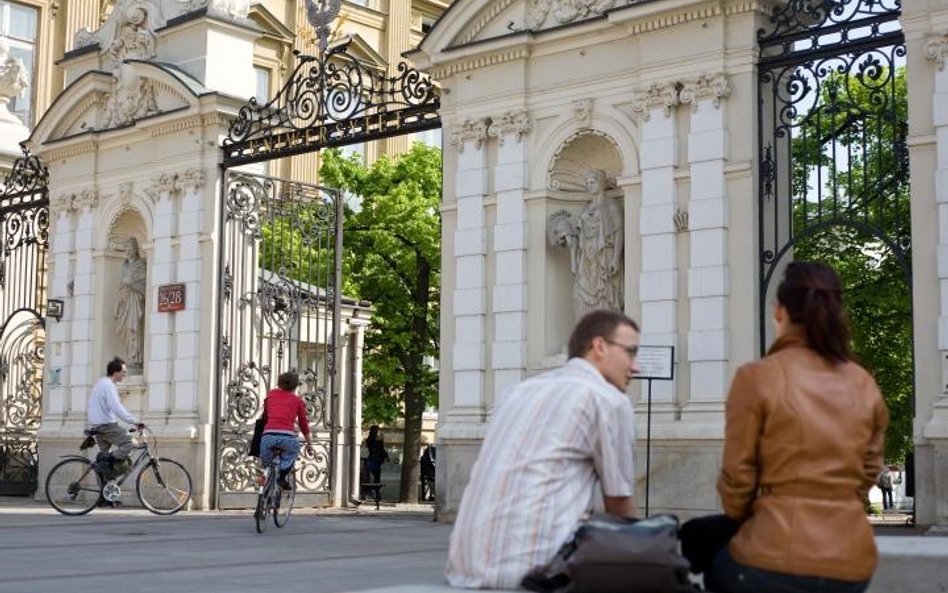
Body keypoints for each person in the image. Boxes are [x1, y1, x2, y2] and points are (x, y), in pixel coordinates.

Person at [704, 262, 889, 593]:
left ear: (779, 312)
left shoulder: (757, 377)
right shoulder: (864, 383)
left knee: (711, 560)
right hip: (851, 560)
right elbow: (869, 470)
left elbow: (737, 478)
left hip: (772, 556)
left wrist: (750, 517)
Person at [445, 308, 639, 589]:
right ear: (599, 346)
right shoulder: (606, 400)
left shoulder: (518, 392)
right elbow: (620, 507)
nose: (635, 366)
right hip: (538, 573)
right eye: (631, 352)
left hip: (465, 567)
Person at [547, 170, 624, 320]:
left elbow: (619, 233)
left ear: (601, 183)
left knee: (605, 293)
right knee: (579, 293)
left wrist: (615, 258)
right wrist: (565, 233)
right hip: (586, 259)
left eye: (592, 182)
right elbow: (579, 235)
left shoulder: (611, 207)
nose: (589, 185)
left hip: (604, 256)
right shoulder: (585, 208)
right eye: (587, 183)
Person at [86, 357, 144, 475]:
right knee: (131, 443)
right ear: (116, 373)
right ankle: (109, 458)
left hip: (97, 426)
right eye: (123, 372)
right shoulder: (108, 386)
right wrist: (134, 421)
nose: (124, 375)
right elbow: (117, 408)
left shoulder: (100, 383)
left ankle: (104, 491)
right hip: (106, 426)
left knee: (103, 464)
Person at [260, 371, 314, 489]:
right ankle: (281, 477)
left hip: (268, 436)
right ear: (295, 386)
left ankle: (265, 479)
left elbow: (266, 414)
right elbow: (304, 425)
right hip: (287, 438)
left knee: (267, 465)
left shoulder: (271, 395)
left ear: (279, 383)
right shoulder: (297, 401)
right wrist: (309, 444)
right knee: (292, 453)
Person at [114, 237, 146, 371]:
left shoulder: (141, 265)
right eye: (125, 248)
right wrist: (118, 303)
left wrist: (131, 284)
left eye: (130, 248)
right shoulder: (125, 266)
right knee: (127, 330)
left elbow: (144, 286)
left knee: (135, 329)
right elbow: (122, 286)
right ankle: (130, 357)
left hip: (135, 301)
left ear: (135, 249)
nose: (127, 251)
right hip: (125, 302)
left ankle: (136, 359)